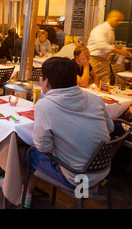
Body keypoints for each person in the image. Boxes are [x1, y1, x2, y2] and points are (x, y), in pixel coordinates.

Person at [21, 57, 113, 208]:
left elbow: (43, 147)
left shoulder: (45, 105)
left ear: (46, 81)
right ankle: (28, 191)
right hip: (102, 170)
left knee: (25, 152)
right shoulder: (95, 99)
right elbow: (110, 129)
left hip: (76, 177)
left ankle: (22, 193)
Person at [87, 10, 130, 82]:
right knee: (92, 84)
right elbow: (101, 45)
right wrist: (118, 51)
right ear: (111, 17)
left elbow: (105, 46)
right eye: (117, 20)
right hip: (95, 61)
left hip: (104, 61)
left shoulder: (110, 30)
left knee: (104, 85)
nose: (119, 22)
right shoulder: (101, 29)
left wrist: (117, 49)